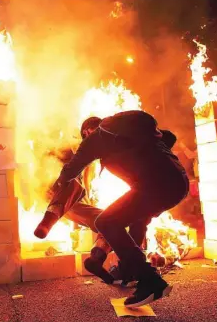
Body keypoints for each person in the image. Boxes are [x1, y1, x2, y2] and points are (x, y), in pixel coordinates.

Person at [35, 111, 188, 308]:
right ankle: (129, 271)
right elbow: (169, 137)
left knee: (105, 222)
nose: (85, 138)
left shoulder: (96, 139)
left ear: (88, 131)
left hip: (154, 186)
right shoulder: (126, 134)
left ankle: (150, 281)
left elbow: (71, 169)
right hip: (177, 183)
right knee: (136, 219)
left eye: (85, 134)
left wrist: (56, 188)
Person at [37, 117, 142, 286]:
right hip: (144, 189)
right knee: (109, 221)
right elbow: (75, 168)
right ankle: (98, 257)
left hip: (145, 190)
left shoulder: (111, 141)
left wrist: (60, 184)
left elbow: (73, 168)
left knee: (118, 221)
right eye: (87, 136)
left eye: (89, 134)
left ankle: (136, 273)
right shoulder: (107, 149)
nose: (89, 138)